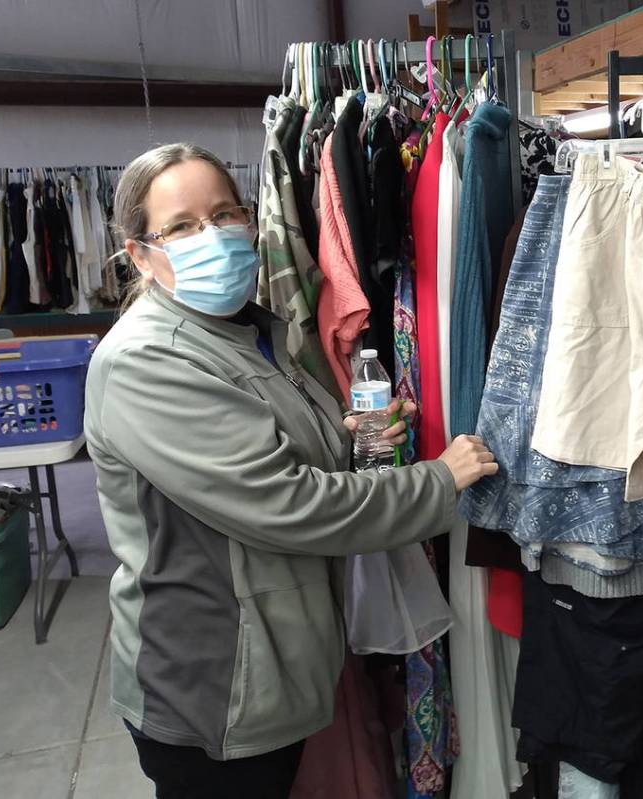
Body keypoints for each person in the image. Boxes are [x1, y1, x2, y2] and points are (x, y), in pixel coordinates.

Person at [84, 143, 497, 798]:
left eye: (224, 214)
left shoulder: (250, 329)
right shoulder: (147, 361)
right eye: (184, 226)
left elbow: (269, 450)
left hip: (278, 654)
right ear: (139, 252)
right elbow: (286, 504)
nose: (213, 236)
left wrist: (351, 436)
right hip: (217, 686)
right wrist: (438, 481)